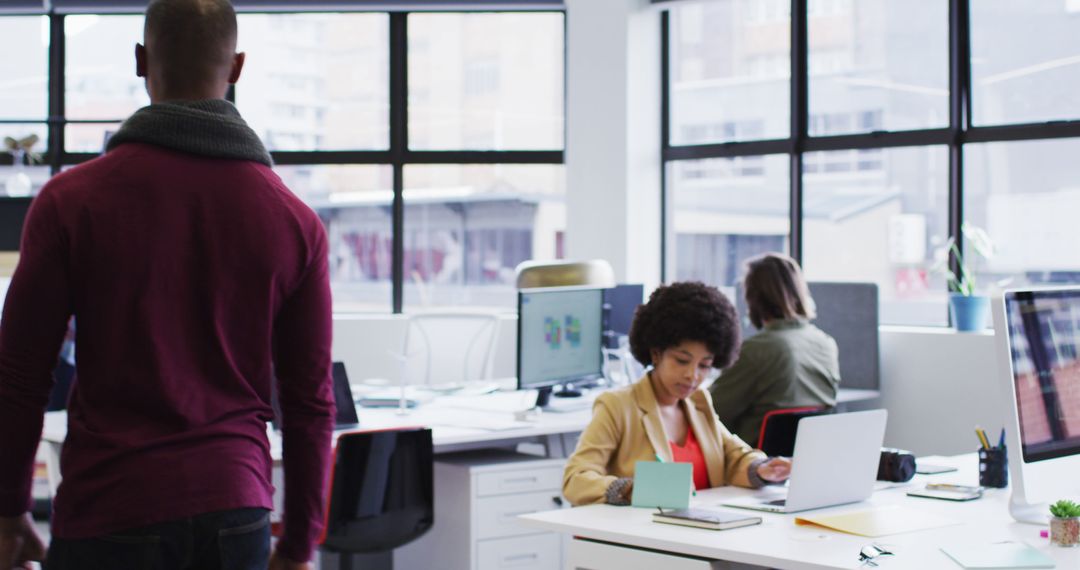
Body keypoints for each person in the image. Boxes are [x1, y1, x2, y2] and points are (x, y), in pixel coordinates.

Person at [0, 1, 334, 569]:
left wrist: (8, 513)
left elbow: (19, 376)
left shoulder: (70, 202)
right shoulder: (294, 221)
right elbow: (309, 403)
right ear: (237, 67)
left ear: (140, 61)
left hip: (110, 510)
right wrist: (301, 544)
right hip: (236, 508)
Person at [563, 282, 790, 506]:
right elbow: (576, 479)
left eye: (704, 366)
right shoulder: (618, 406)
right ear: (656, 353)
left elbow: (733, 457)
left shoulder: (698, 402)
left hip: (697, 531)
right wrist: (630, 489)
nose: (692, 375)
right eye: (682, 361)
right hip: (643, 534)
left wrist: (761, 468)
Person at [710, 252, 841, 447]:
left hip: (753, 464)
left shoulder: (756, 350)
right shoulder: (826, 344)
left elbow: (710, 412)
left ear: (753, 299)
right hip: (807, 458)